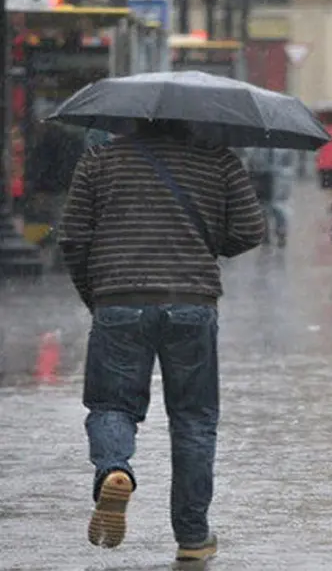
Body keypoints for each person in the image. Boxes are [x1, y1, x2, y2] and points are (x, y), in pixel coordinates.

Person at [57, 119, 265, 563]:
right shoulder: (219, 160)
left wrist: (96, 296)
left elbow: (73, 237)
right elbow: (250, 230)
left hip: (119, 297)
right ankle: (192, 536)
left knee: (112, 405)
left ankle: (115, 470)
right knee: (193, 418)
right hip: (191, 300)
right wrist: (205, 238)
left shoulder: (100, 159)